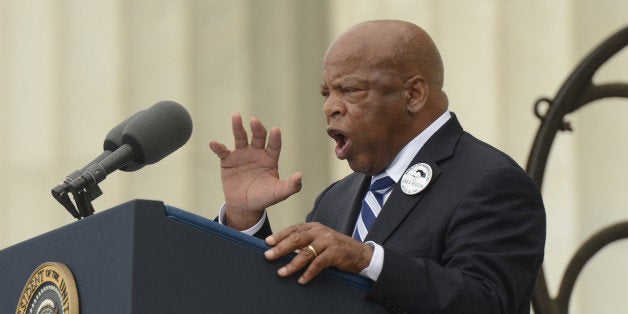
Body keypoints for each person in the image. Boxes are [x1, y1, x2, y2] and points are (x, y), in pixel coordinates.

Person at [209, 20, 545, 314]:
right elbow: (287, 299)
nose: (330, 107)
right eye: (326, 93)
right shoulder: (335, 200)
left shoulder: (491, 181)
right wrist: (244, 220)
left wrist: (368, 260)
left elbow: (487, 302)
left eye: (350, 90)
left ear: (413, 94)